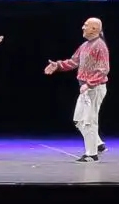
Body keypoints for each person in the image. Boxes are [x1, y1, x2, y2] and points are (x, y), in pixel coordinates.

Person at [42, 15, 112, 161]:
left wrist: (89, 84)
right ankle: (98, 144)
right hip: (86, 88)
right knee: (78, 120)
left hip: (94, 88)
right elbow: (73, 62)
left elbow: (103, 69)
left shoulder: (100, 46)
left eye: (86, 25)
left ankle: (91, 154)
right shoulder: (85, 46)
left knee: (89, 121)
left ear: (95, 29)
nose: (83, 27)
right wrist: (58, 65)